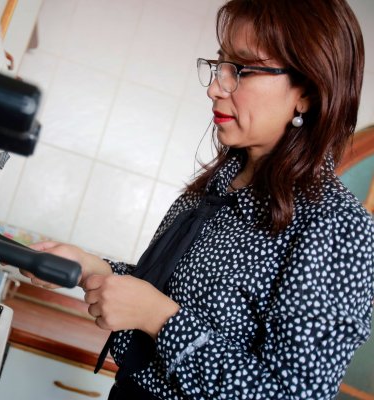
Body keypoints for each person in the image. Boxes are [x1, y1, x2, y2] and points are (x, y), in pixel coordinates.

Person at [21, 0, 374, 398]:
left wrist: (160, 319)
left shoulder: (337, 227)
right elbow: (166, 294)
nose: (214, 87)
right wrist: (92, 267)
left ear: (307, 92)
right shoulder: (219, 185)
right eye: (220, 64)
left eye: (241, 70)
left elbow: (292, 395)